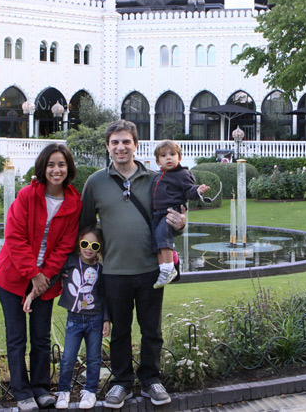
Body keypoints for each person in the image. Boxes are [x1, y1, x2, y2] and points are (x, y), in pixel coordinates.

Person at [79, 120, 186, 409]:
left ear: (136, 145)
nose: (120, 146)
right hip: (114, 271)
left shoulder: (156, 179)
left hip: (151, 270)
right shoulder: (96, 182)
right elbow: (86, 225)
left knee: (151, 330)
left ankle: (151, 379)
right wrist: (91, 254)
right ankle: (122, 383)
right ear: (108, 146)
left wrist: (181, 224)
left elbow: (173, 220)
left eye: (126, 141)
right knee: (120, 331)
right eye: (115, 142)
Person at [0, 143, 81, 412]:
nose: (56, 170)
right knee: (16, 336)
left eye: (61, 165)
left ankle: (41, 388)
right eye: (51, 164)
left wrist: (44, 278)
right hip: (12, 277)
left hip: (46, 280)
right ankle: (21, 391)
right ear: (43, 167)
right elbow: (14, 238)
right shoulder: (27, 195)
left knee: (41, 336)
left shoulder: (74, 202)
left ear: (68, 168)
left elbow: (66, 245)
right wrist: (33, 274)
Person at [23, 225, 111, 410]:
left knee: (94, 358)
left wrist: (106, 319)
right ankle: (63, 391)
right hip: (74, 319)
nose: (89, 248)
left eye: (94, 246)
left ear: (100, 248)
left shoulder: (100, 269)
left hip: (95, 319)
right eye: (85, 243)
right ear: (79, 243)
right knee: (68, 357)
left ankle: (90, 391)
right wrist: (32, 294)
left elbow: (104, 295)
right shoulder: (69, 262)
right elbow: (52, 278)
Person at [151, 140, 209, 288]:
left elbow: (189, 190)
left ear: (179, 158)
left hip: (171, 211)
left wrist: (197, 191)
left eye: (172, 154)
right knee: (156, 242)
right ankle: (163, 269)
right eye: (163, 156)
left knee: (162, 237)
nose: (168, 158)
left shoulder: (182, 174)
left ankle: (169, 268)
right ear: (158, 161)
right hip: (157, 213)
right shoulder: (158, 175)